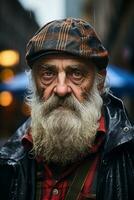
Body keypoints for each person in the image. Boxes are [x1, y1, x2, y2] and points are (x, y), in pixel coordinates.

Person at [0, 17, 134, 200]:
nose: (61, 89)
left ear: (99, 82)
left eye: (76, 73)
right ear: (34, 83)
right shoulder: (7, 160)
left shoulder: (128, 157)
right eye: (48, 73)